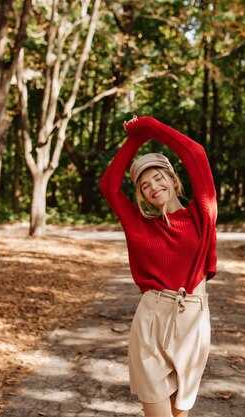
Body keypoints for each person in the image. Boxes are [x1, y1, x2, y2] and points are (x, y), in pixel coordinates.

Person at [99, 115, 218, 417]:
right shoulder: (138, 225)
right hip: (151, 321)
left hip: (193, 322)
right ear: (141, 195)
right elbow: (109, 186)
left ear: (173, 179)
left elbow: (196, 154)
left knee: (180, 415)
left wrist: (150, 125)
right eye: (144, 185)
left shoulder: (201, 216)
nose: (153, 187)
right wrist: (135, 138)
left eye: (158, 177)